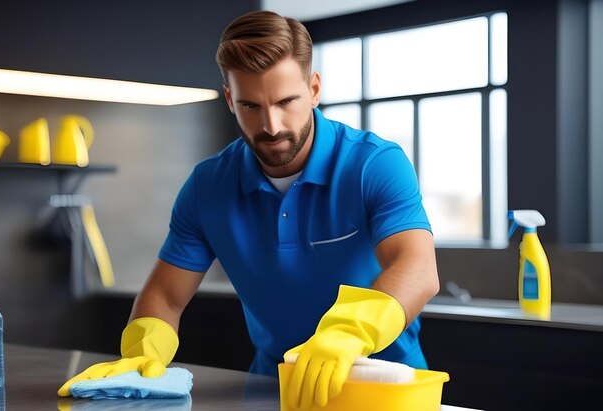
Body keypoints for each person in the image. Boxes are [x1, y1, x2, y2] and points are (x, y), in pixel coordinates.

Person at [58, 10, 439, 409]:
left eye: (286, 101)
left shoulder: (374, 164)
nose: (271, 125)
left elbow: (417, 268)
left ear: (313, 88)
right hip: (273, 391)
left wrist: (348, 333)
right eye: (251, 106)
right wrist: (143, 353)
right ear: (229, 99)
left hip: (384, 387)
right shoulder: (207, 186)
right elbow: (166, 296)